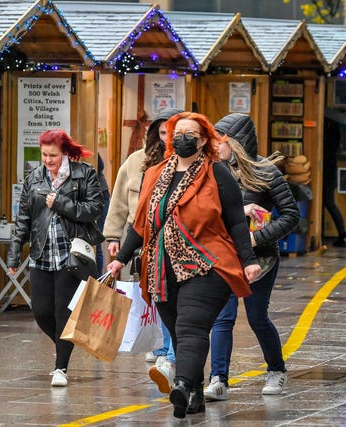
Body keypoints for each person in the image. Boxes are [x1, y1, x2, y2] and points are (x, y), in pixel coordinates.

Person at [107, 112, 261, 419]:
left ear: (204, 140)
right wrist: (120, 259)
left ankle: (180, 384)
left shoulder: (217, 174)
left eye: (190, 134)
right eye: (177, 133)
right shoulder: (155, 173)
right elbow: (140, 225)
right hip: (161, 267)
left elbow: (235, 222)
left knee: (192, 326)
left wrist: (249, 261)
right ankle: (194, 392)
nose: (182, 139)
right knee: (181, 331)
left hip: (207, 263)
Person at [204, 113, 300, 401]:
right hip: (225, 256)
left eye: (220, 141)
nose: (215, 146)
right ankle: (218, 379)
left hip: (261, 259)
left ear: (236, 143)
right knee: (223, 317)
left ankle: (276, 370)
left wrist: (257, 237)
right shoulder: (213, 172)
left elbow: (292, 215)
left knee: (258, 318)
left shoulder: (267, 173)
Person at [7, 129, 104, 387]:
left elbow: (95, 209)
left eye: (53, 155)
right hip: (41, 253)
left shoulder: (85, 174)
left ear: (64, 153)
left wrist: (61, 203)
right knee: (41, 311)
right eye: (44, 155)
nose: (48, 160)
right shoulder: (34, 178)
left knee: (63, 310)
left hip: (70, 255)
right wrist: (14, 254)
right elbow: (24, 218)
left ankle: (61, 367)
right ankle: (65, 344)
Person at [103, 108, 183, 394]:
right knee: (151, 294)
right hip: (141, 242)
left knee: (171, 297)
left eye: (171, 132)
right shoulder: (136, 162)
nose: (166, 139)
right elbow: (120, 201)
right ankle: (160, 346)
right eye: (161, 133)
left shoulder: (188, 163)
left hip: (177, 242)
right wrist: (113, 236)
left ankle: (169, 357)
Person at [323, 115, 346, 246]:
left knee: (330, 203)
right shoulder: (333, 129)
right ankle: (342, 234)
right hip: (328, 175)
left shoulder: (332, 130)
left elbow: (329, 152)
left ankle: (342, 234)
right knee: (329, 203)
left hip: (328, 175)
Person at [95, 153, 111, 273]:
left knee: (95, 241)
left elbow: (99, 165)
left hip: (100, 195)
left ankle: (95, 283)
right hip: (99, 194)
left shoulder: (86, 139)